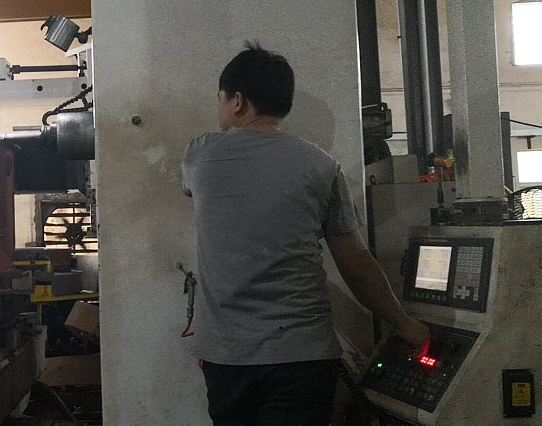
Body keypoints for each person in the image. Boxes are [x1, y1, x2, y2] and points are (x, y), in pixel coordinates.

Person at [181, 42, 430, 425]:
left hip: (227, 356)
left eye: (220, 99)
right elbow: (357, 266)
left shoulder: (200, 155)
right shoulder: (321, 165)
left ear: (237, 101)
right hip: (303, 355)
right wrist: (404, 323)